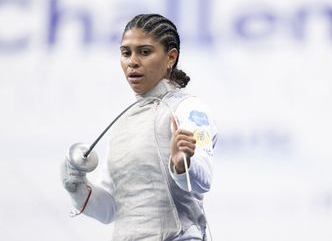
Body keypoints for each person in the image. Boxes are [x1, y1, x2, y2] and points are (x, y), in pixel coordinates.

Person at [60, 14, 217, 241]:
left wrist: (182, 164)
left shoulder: (188, 108)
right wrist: (77, 188)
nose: (133, 61)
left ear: (171, 57)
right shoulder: (122, 123)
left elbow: (202, 181)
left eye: (144, 52)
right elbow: (110, 210)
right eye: (126, 53)